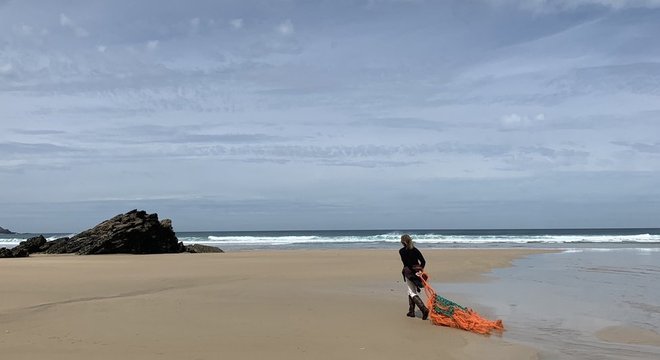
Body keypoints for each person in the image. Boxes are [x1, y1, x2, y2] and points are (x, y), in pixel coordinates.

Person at [399, 234, 429, 320]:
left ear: (402, 242)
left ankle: (423, 309)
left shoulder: (401, 251)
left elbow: (406, 263)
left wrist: (412, 271)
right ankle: (411, 311)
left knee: (412, 292)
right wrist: (420, 270)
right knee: (411, 290)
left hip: (409, 272)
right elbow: (423, 261)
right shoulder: (415, 250)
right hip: (417, 273)